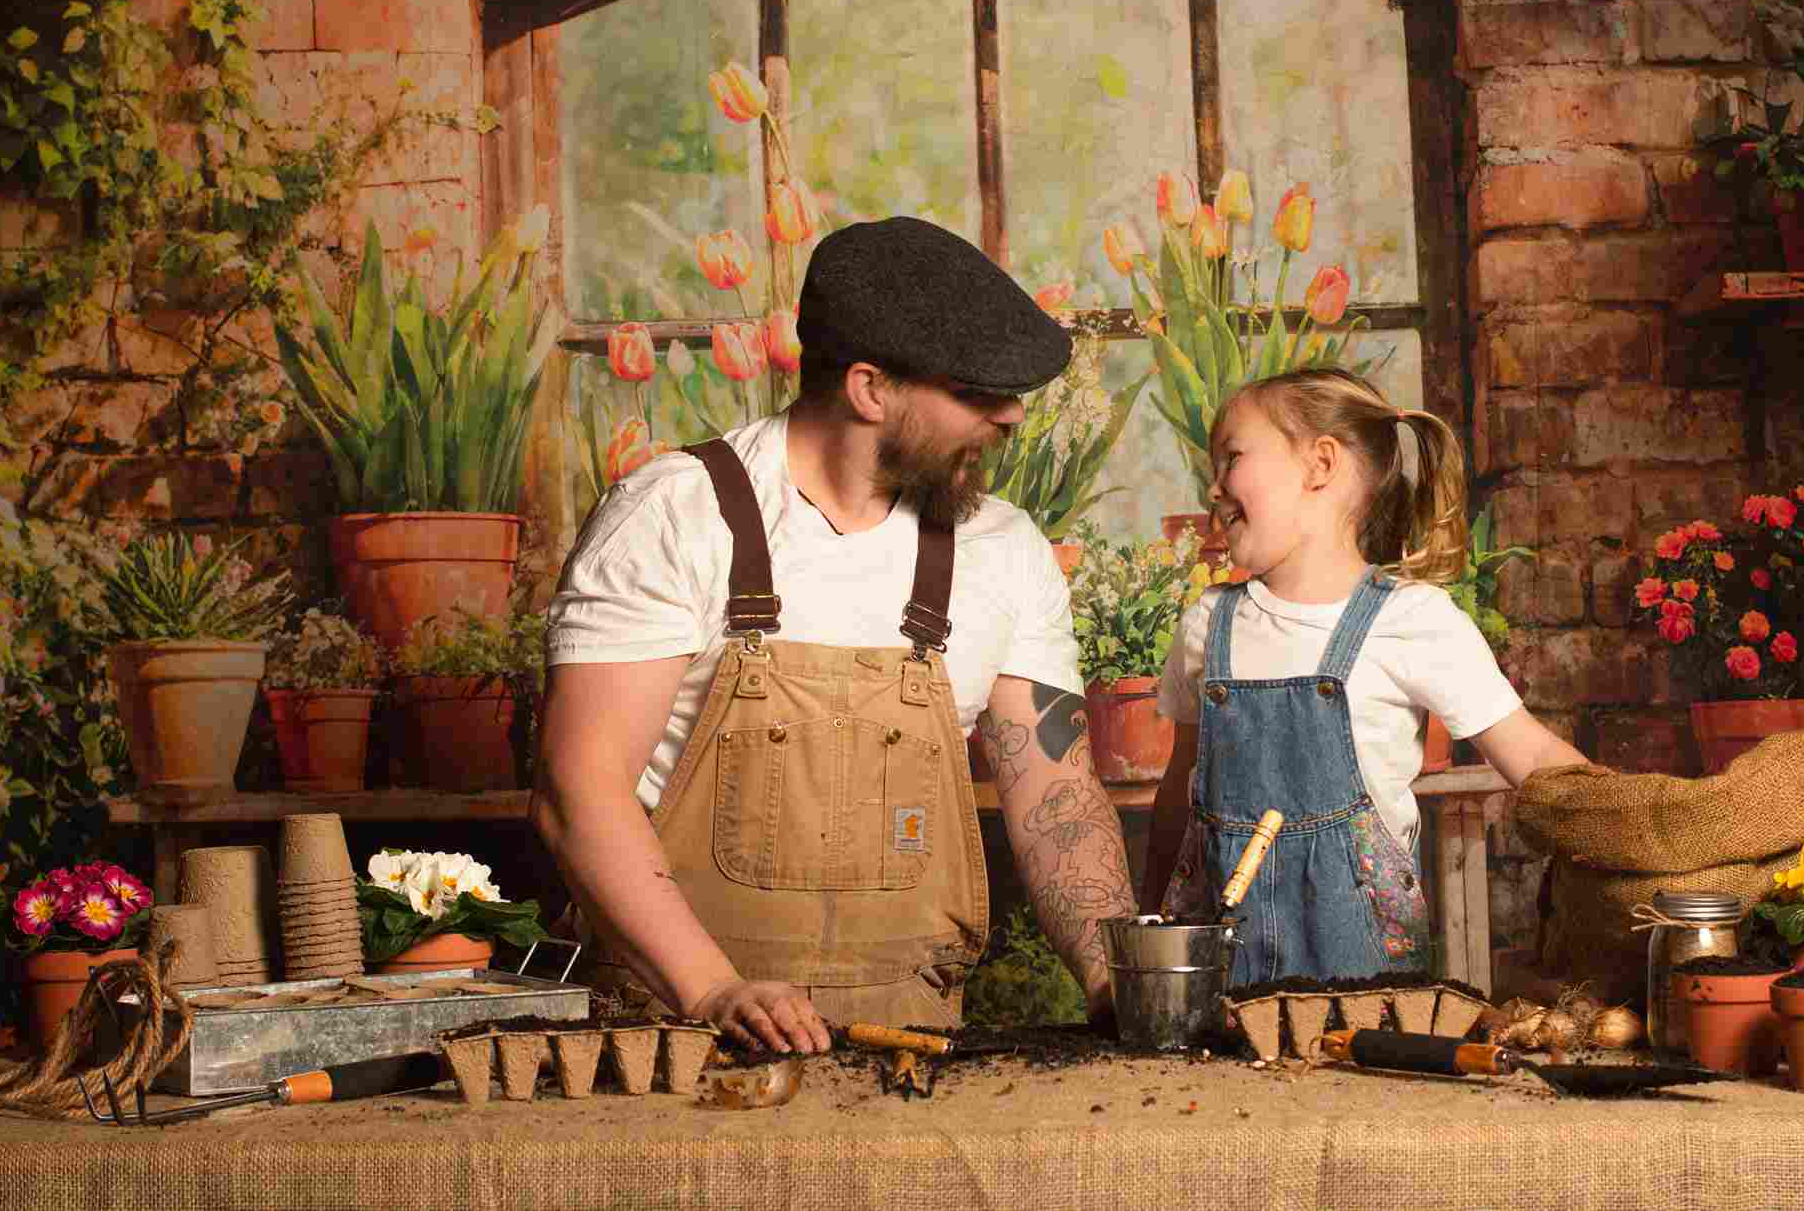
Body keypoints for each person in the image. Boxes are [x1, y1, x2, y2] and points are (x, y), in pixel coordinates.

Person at [533, 216, 1136, 1052]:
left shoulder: (1001, 548)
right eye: (975, 392)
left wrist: (1116, 976)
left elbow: (1055, 797)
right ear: (868, 388)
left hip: (910, 1054)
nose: (1011, 417)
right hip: (676, 1048)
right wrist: (712, 988)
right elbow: (578, 794)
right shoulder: (677, 516)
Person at [1139, 368, 1587, 985]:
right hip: (1220, 985)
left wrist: (1642, 826)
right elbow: (1177, 795)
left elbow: (1531, 754)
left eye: (1232, 459)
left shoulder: (1411, 620)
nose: (1214, 488)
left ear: (1320, 463)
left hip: (1367, 994)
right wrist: (1145, 935)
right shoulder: (1207, 625)